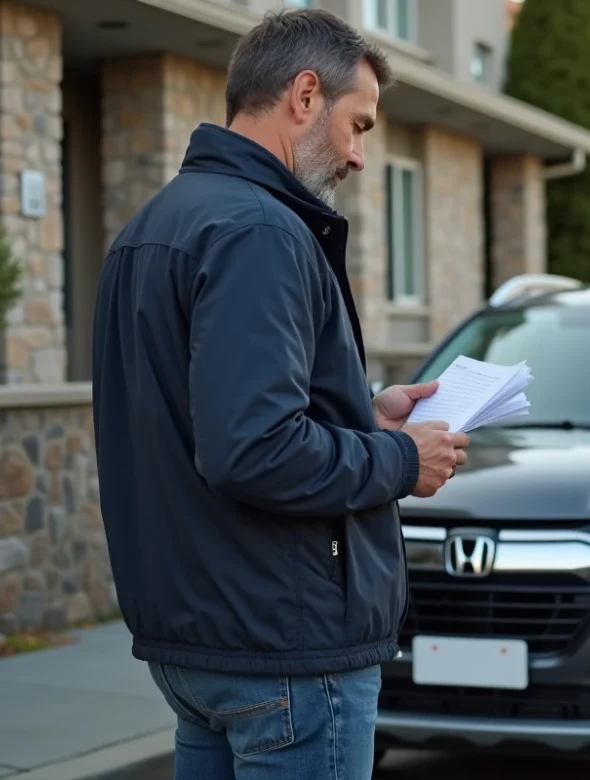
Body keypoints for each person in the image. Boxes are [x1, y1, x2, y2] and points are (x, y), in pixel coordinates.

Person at [89, 9, 468, 779]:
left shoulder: (152, 226)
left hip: (200, 647)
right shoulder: (260, 231)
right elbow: (254, 449)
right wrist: (401, 460)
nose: (359, 156)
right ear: (304, 95)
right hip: (285, 651)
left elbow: (207, 417)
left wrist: (364, 416)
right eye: (358, 125)